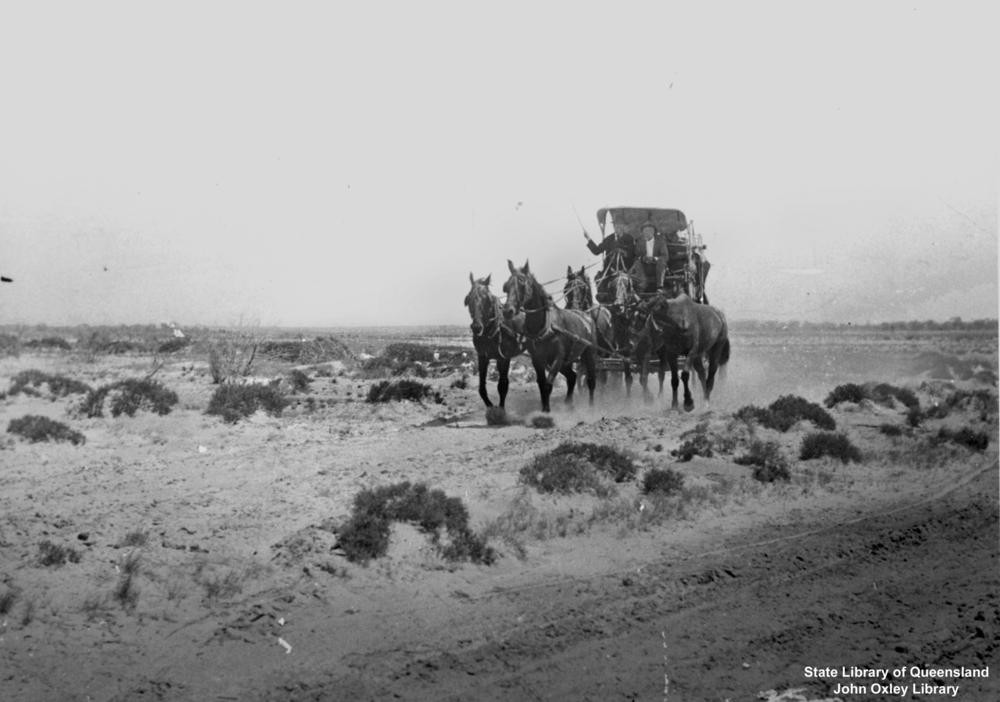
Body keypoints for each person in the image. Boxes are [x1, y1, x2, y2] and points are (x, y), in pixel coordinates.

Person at [630, 223, 669, 292]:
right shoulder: (640, 242)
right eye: (644, 232)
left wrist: (655, 258)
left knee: (661, 262)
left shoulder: (660, 242)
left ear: (653, 232)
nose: (645, 234)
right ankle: (642, 284)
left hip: (656, 266)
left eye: (648, 231)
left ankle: (659, 287)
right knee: (637, 263)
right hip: (645, 266)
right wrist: (642, 258)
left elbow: (665, 256)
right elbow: (636, 256)